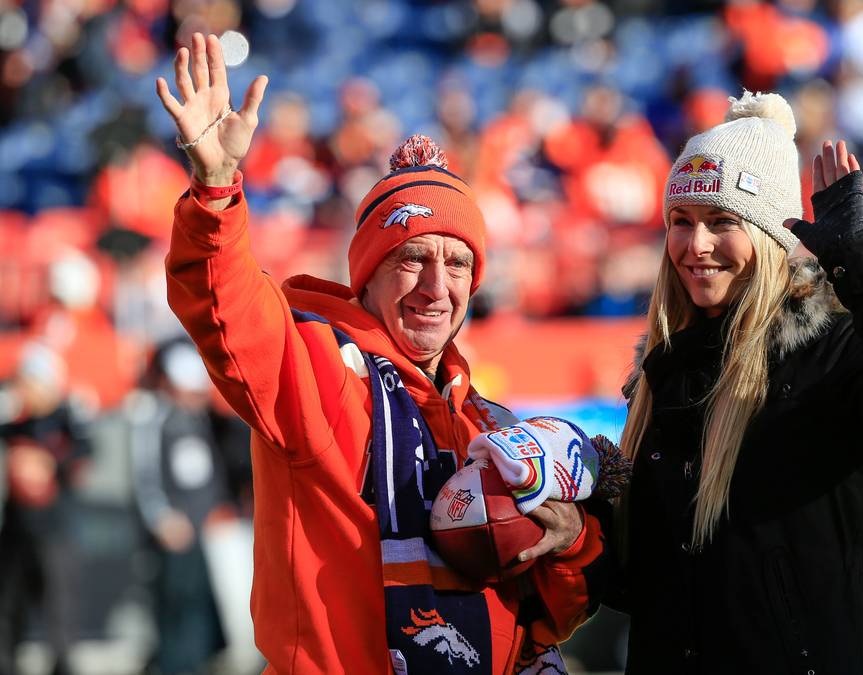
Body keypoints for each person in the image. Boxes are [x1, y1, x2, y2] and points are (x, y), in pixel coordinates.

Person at [156, 33, 606, 674]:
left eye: (456, 264)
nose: (435, 286)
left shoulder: (495, 428)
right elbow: (223, 309)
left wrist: (567, 543)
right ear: (365, 277)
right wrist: (216, 185)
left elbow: (549, 617)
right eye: (410, 259)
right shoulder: (316, 370)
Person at [612, 92, 863, 673]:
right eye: (680, 223)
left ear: (769, 235)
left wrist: (861, 261)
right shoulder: (662, 373)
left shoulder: (835, 351)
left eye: (722, 221)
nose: (695, 245)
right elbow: (646, 580)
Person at [128, 338, 234, 674]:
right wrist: (161, 518)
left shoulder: (197, 419)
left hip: (200, 529)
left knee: (199, 606)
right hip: (173, 532)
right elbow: (144, 474)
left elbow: (208, 468)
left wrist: (216, 506)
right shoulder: (153, 418)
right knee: (173, 608)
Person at [0, 344, 90, 675]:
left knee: (59, 604)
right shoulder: (15, 423)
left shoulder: (66, 419)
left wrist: (47, 462)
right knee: (9, 601)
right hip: (16, 527)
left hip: (55, 528)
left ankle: (62, 664)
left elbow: (85, 454)